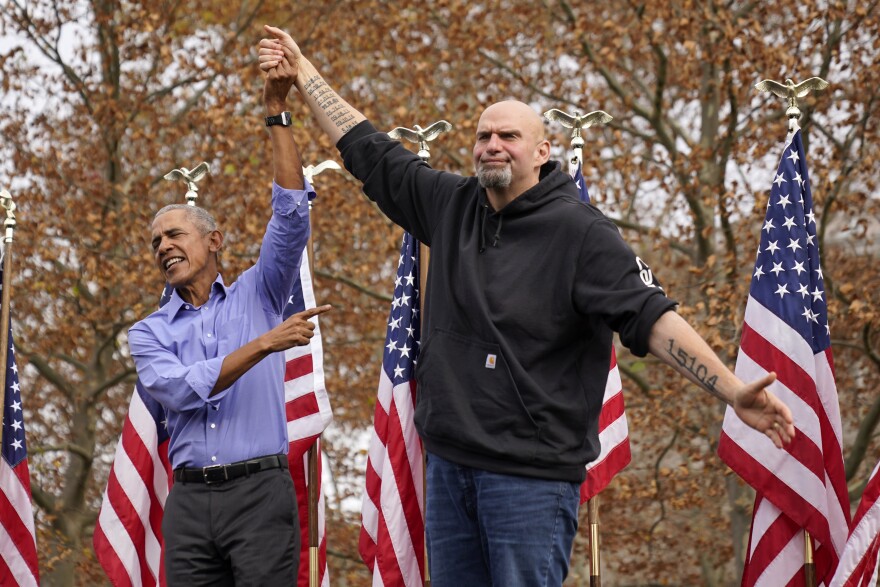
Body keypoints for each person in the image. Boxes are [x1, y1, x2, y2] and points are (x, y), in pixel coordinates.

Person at [258, 26, 795, 586]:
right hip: (447, 469)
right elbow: (367, 149)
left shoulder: (581, 233)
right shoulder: (451, 205)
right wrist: (303, 73)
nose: (491, 144)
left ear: (541, 153)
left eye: (508, 136)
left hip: (530, 484)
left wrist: (732, 391)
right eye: (483, 135)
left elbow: (651, 318)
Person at [128, 41, 330, 586]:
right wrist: (264, 344)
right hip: (189, 503)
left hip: (260, 496)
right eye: (154, 243)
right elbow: (178, 390)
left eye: (174, 235)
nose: (163, 247)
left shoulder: (258, 294)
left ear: (213, 240)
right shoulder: (147, 333)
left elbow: (290, 215)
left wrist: (276, 115)